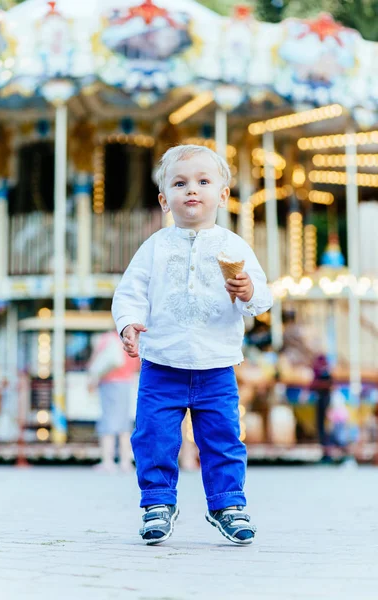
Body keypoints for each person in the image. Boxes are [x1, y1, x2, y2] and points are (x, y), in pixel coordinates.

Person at [112, 144, 273, 545]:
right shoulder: (154, 247)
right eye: (180, 184)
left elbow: (262, 299)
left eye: (203, 181)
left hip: (215, 364)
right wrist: (129, 322)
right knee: (153, 435)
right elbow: (130, 291)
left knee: (222, 436)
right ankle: (157, 502)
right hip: (162, 361)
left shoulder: (234, 246)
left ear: (223, 194)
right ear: (165, 199)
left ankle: (227, 504)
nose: (192, 190)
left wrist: (248, 289)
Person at [88, 330, 139, 473]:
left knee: (108, 420)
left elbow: (95, 361)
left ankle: (107, 461)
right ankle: (125, 462)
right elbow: (136, 364)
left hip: (108, 382)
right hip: (126, 383)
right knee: (124, 423)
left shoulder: (106, 339)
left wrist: (92, 380)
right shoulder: (131, 340)